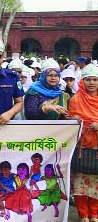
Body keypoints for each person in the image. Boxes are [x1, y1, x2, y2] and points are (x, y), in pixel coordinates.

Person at [68, 64, 98, 222]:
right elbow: (70, 121)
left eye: (95, 79)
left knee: (96, 184)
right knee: (80, 184)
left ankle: (94, 214)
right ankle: (83, 215)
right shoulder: (75, 100)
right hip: (81, 148)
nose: (92, 83)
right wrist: (74, 121)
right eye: (88, 79)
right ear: (82, 81)